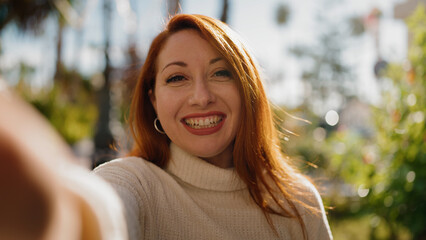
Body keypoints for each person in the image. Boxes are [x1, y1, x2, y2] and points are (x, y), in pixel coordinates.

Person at [0, 14, 332, 240]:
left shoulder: (298, 202)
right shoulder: (136, 183)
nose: (201, 97)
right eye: (177, 78)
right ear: (153, 101)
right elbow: (104, 210)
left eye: (221, 73)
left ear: (249, 91)